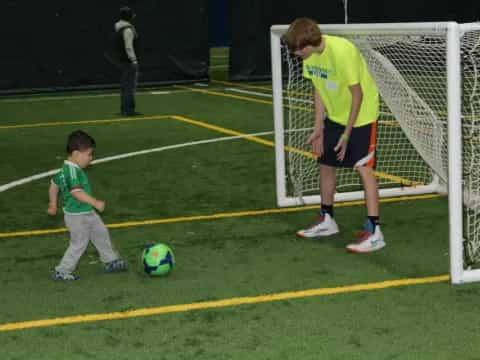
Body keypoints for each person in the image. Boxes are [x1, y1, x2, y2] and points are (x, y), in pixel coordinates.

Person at [283, 17, 385, 253]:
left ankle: (374, 231)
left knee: (364, 168)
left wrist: (347, 134)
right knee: (325, 163)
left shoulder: (342, 52)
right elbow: (318, 88)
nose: (296, 54)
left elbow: (357, 95)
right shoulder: (311, 57)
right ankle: (327, 219)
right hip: (336, 115)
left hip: (361, 116)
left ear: (308, 45)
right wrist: (318, 126)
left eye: (298, 50)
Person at [47, 130, 127, 280]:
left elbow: (53, 184)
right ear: (77, 154)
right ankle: (62, 271)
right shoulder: (71, 172)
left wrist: (52, 204)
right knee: (79, 244)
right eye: (89, 154)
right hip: (77, 217)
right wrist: (95, 202)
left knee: (101, 233)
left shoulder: (67, 169)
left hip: (86, 213)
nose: (91, 158)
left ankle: (110, 261)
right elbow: (77, 193)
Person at [114, 6, 140, 116]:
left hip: (122, 60)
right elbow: (128, 47)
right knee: (130, 86)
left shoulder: (118, 27)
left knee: (125, 86)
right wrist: (133, 60)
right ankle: (128, 110)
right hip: (128, 61)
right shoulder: (127, 29)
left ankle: (125, 109)